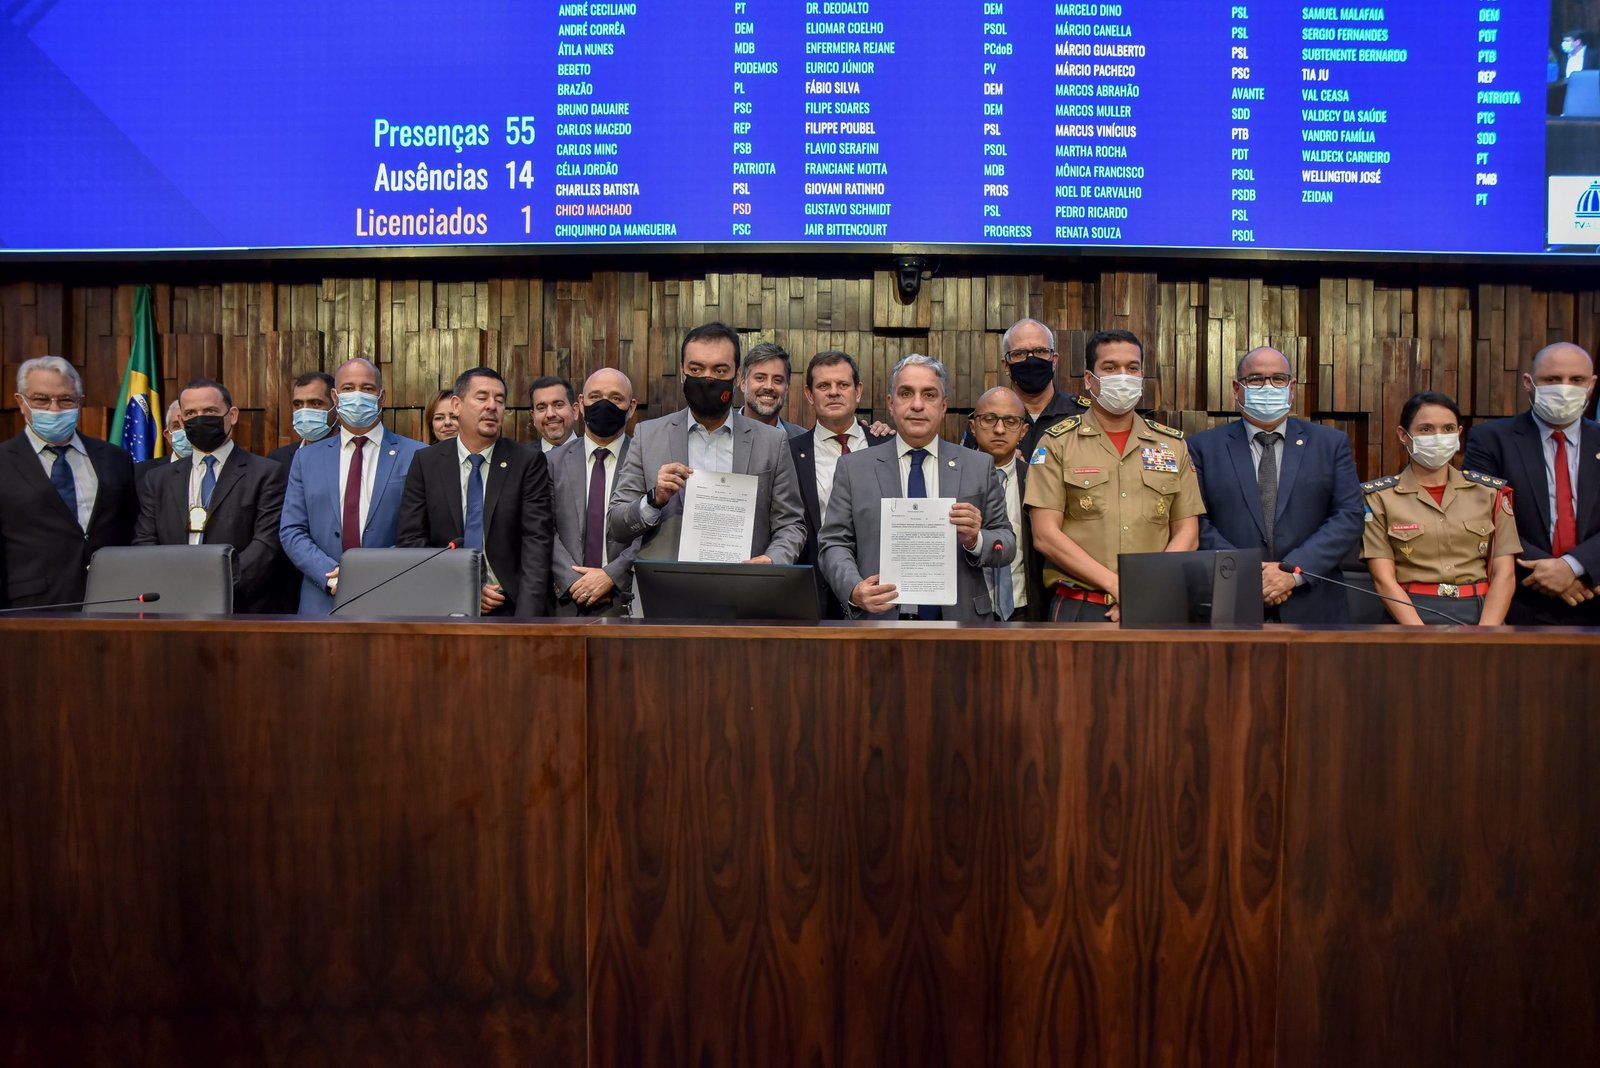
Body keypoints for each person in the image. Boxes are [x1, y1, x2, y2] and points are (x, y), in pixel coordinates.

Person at [1024, 329, 1204, 622]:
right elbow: (1045, 536)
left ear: (1142, 376)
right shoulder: (1057, 443)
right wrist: (1119, 587)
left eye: (1132, 368)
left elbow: (1188, 533)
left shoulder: (1172, 446)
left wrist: (1146, 588)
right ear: (1089, 379)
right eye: (1110, 368)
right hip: (1081, 606)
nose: (1123, 376)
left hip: (1156, 602)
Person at [818, 354, 1014, 621]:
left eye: (929, 395)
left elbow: (1007, 543)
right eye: (906, 393)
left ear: (943, 406)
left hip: (961, 625)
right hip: (879, 623)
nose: (917, 405)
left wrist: (975, 540)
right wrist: (854, 588)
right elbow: (833, 543)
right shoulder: (854, 468)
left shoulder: (978, 466)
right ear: (891, 404)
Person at [608, 321, 806, 572]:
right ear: (682, 373)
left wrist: (772, 560)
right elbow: (617, 524)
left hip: (743, 587)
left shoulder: (772, 442)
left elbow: (791, 525)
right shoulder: (647, 436)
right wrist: (653, 500)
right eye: (696, 369)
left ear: (737, 377)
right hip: (665, 588)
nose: (707, 378)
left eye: (720, 370)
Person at [1188, 346, 1364, 622]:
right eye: (1256, 379)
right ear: (1237, 389)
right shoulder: (1202, 447)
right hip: (1230, 602)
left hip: (1313, 607)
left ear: (1291, 389)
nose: (1268, 387)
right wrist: (1247, 573)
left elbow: (1348, 516)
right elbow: (1196, 521)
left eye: (1278, 379)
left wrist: (1293, 572)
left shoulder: (1330, 444)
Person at [397, 366, 554, 617]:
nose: (492, 406)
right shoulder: (426, 463)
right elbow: (411, 541)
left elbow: (537, 544)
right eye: (482, 397)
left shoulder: (527, 462)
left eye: (499, 400)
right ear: (457, 405)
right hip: (443, 606)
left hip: (511, 608)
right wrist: (463, 590)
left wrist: (526, 623)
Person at [1462, 340, 1600, 625]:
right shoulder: (1490, 440)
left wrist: (1573, 567)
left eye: (1576, 380)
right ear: (1528, 382)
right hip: (1521, 600)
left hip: (1593, 591)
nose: (1564, 388)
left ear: (1591, 384)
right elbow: (1480, 517)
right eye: (1552, 379)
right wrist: (1551, 572)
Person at [278, 358, 427, 615]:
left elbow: (421, 531)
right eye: (348, 388)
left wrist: (368, 573)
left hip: (392, 598)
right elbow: (292, 530)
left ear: (382, 397)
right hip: (321, 601)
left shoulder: (417, 455)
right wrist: (331, 575)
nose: (357, 395)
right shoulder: (306, 459)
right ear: (335, 397)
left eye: (367, 388)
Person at [1362, 392, 1520, 625]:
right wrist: (1421, 636)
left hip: (1481, 612)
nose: (1438, 437)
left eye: (1448, 429)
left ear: (1459, 433)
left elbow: (1504, 574)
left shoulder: (1490, 493)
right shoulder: (1379, 497)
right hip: (1411, 612)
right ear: (1403, 436)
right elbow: (1383, 580)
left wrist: (1485, 634)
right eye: (1426, 429)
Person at [134, 377, 288, 613]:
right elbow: (145, 542)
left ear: (232, 415)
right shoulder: (157, 479)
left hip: (241, 607)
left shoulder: (266, 473)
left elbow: (266, 545)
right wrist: (174, 587)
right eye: (191, 413)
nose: (200, 419)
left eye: (210, 411)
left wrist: (215, 586)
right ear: (181, 421)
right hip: (172, 605)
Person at [0, 355, 137, 609]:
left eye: (65, 400)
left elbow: (130, 529)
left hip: (113, 603)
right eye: (41, 399)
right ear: (21, 402)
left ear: (79, 402)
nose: (54, 409)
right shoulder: (4, 461)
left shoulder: (115, 459)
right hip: (29, 608)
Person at [790, 349, 894, 618]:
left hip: (882, 594)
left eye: (843, 385)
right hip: (812, 598)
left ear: (858, 391)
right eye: (823, 386)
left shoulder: (889, 445)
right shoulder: (789, 453)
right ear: (809, 394)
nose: (834, 392)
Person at [549, 367, 643, 616]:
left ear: (631, 407)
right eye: (595, 397)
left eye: (616, 398)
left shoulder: (646, 461)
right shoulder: (551, 462)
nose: (604, 405)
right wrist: (574, 581)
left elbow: (654, 530)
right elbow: (543, 528)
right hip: (565, 602)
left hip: (626, 600)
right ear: (581, 403)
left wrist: (611, 575)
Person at [967, 386, 1042, 620]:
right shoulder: (952, 477)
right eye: (989, 419)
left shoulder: (1037, 480)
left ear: (1023, 430)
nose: (999, 429)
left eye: (1010, 421)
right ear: (973, 426)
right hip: (968, 610)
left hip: (1026, 608)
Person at [965, 317, 1087, 457]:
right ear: (1006, 365)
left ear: (1054, 360)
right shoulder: (984, 421)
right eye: (1019, 354)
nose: (1031, 360)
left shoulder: (1084, 415)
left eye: (1040, 351)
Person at [266, 371, 337, 466]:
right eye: (298, 404)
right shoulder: (277, 460)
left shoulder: (351, 456)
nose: (304, 411)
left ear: (336, 406)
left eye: (316, 403)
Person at [738, 341, 806, 437]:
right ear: (743, 383)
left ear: (787, 388)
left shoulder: (804, 439)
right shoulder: (721, 434)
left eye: (777, 380)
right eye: (760, 378)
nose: (769, 386)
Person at [134, 400, 190, 501]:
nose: (184, 431)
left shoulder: (216, 468)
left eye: (188, 425)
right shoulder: (140, 473)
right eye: (177, 426)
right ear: (167, 435)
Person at [529, 375, 578, 453]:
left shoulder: (595, 453)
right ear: (533, 416)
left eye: (558, 405)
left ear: (575, 411)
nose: (550, 414)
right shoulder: (522, 457)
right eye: (541, 408)